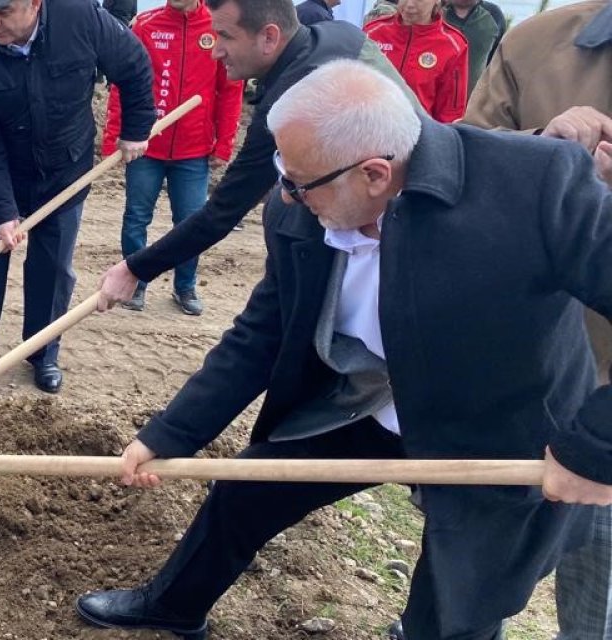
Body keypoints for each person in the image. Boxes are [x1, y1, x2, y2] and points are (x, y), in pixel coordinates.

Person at [76, 59, 612, 640]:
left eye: (299, 181)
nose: (285, 193)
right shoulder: (305, 202)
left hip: (501, 427)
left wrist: (594, 446)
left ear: (376, 174)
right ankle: (173, 606)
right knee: (248, 488)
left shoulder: (536, 184)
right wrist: (170, 434)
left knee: (457, 606)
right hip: (375, 400)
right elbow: (262, 332)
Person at [96, 0, 415, 314]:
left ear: (269, 37)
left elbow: (223, 211)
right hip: (388, 208)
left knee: (284, 219)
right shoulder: (341, 35)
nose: (214, 50)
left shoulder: (293, 104)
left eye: (225, 36)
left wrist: (135, 268)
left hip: (395, 233)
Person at [462, 2, 612, 638]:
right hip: (517, 378)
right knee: (469, 577)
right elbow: (463, 164)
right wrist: (548, 157)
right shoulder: (537, 42)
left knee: (595, 601)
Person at [0, 0, 155, 395]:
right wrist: (2, 212)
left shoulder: (81, 19)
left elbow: (134, 62)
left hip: (62, 172)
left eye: (2, 12)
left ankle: (42, 353)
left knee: (51, 270)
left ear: (35, 3)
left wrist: (137, 127)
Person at [101, 0, 243, 315]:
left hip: (193, 150)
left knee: (192, 221)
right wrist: (114, 137)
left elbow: (231, 90)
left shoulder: (216, 28)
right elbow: (122, 85)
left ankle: (185, 286)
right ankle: (135, 283)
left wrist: (224, 144)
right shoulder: (146, 26)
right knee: (137, 217)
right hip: (145, 147)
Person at [363, 0, 469, 123]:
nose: (409, 5)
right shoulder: (373, 32)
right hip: (369, 128)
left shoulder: (453, 45)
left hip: (417, 134)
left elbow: (450, 113)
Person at [441, 0, 504, 93]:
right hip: (436, 101)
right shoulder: (434, 12)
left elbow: (496, 61)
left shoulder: (494, 15)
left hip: (476, 102)